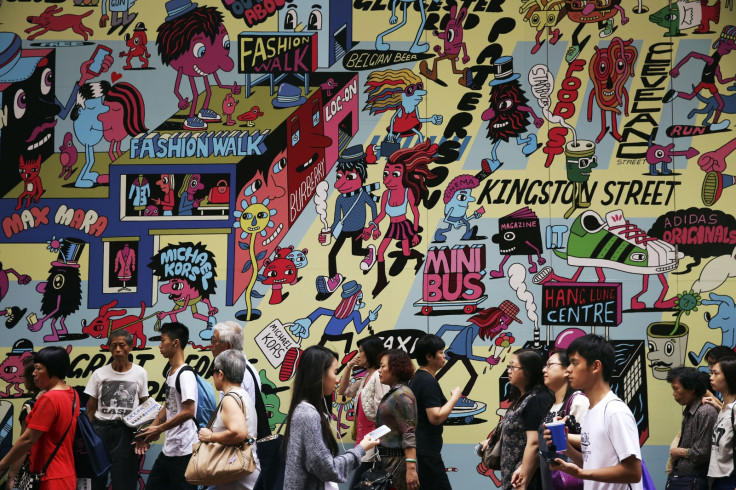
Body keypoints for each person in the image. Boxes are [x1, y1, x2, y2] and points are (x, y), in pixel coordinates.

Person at [551, 334, 643, 489]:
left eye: (575, 363)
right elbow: (592, 465)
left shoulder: (615, 411)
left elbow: (633, 472)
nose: (568, 370)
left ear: (595, 367)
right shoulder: (591, 410)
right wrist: (566, 447)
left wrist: (581, 474)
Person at [284, 346, 379, 489]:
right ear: (319, 374)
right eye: (335, 372)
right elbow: (326, 468)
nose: (337, 380)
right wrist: (361, 448)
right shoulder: (308, 414)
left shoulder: (305, 410)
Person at [360, 141, 439, 297]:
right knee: (380, 252)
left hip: (404, 226)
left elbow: (415, 214)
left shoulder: (407, 192)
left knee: (406, 251)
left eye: (394, 174)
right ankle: (381, 280)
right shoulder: (385, 195)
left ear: (403, 175)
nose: (387, 179)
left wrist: (415, 233)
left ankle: (418, 257)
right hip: (392, 226)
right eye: (385, 173)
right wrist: (371, 227)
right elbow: (382, 214)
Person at [0, 346, 79, 490]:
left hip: (49, 477)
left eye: (38, 369)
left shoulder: (49, 398)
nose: (34, 374)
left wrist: (2, 465)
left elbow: (28, 439)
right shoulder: (72, 393)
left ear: (53, 370)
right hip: (66, 473)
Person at [136, 322, 199, 489]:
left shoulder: (185, 375)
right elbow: (170, 406)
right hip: (169, 450)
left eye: (163, 340)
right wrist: (150, 431)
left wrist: (159, 429)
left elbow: (189, 411)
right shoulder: (171, 373)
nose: (159, 346)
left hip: (184, 452)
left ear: (176, 343)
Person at [85, 331, 149, 490]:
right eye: (114, 346)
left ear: (130, 347)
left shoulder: (140, 373)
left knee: (125, 480)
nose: (118, 349)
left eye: (122, 345)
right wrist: (88, 437)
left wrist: (142, 434)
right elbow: (90, 409)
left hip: (126, 432)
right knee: (96, 479)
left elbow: (145, 406)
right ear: (109, 349)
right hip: (100, 431)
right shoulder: (99, 374)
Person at [486, 349, 551, 490]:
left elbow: (534, 443)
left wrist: (524, 478)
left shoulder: (535, 400)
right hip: (511, 475)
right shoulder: (520, 398)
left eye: (513, 367)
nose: (509, 371)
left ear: (529, 370)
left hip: (525, 477)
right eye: (508, 367)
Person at [198, 349, 260, 489]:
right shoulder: (244, 395)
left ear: (220, 374)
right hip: (245, 471)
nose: (212, 377)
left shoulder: (229, 399)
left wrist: (210, 436)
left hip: (236, 478)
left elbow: (238, 433)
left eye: (213, 373)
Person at [408, 334, 462, 490]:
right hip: (427, 451)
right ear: (429, 356)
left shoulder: (419, 378)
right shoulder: (427, 381)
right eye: (440, 352)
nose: (444, 355)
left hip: (423, 449)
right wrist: (454, 398)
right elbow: (435, 417)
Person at [337, 336, 390, 487]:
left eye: (361, 351)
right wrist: (348, 367)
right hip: (363, 444)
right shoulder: (366, 377)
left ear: (371, 353)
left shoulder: (378, 377)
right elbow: (343, 391)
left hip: (372, 446)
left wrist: (376, 442)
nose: (358, 355)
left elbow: (383, 412)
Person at [539, 349, 589, 490]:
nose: (544, 370)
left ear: (567, 370)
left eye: (550, 365)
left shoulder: (578, 401)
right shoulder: (551, 405)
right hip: (551, 480)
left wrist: (562, 436)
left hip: (571, 480)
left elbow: (591, 440)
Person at [665, 367, 717, 489]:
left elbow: (702, 452)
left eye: (676, 389)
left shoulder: (705, 411)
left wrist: (680, 452)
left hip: (695, 481)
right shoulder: (690, 410)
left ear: (691, 389)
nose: (674, 393)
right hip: (683, 479)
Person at [375, 349, 419, 490]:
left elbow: (408, 432)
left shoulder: (401, 395)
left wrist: (411, 468)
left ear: (395, 368)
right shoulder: (395, 393)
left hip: (397, 466)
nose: (379, 370)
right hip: (386, 463)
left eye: (383, 366)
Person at [211, 321, 262, 406]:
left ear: (228, 346)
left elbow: (233, 413)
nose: (211, 345)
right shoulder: (245, 367)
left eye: (214, 341)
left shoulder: (236, 372)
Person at [706, 357, 736, 489]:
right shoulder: (724, 407)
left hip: (730, 480)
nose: (711, 378)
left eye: (716, 373)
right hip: (717, 480)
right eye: (711, 373)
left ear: (729, 376)